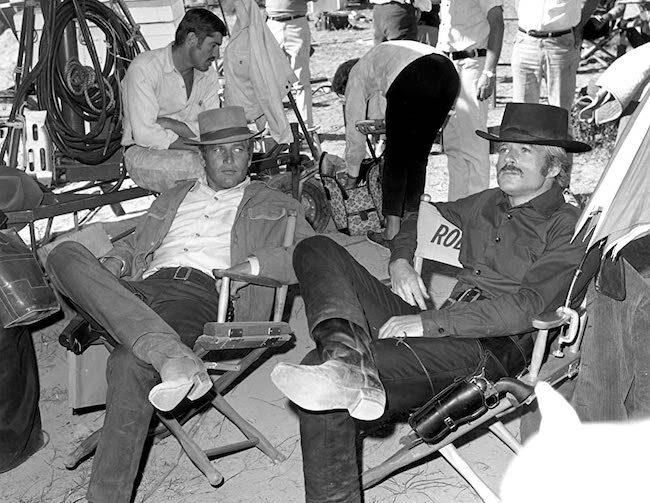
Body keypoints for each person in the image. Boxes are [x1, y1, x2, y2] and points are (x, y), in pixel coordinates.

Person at [270, 103, 592, 503]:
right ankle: (347, 358)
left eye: (524, 151)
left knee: (320, 373)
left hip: (488, 349)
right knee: (316, 248)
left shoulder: (567, 225)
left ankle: (344, 369)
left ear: (555, 166)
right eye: (504, 149)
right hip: (444, 325)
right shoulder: (489, 202)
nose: (508, 158)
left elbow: (526, 308)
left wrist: (427, 324)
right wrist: (400, 259)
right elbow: (420, 216)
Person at [46, 106, 314, 503]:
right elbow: (135, 244)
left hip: (201, 296)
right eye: (218, 150)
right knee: (64, 253)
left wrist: (255, 265)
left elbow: (312, 255)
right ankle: (167, 352)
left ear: (250, 154)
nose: (229, 158)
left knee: (129, 362)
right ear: (202, 156)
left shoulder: (276, 203)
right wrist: (117, 261)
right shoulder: (173, 196)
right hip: (141, 289)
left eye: (239, 149)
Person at [330, 41, 459, 246]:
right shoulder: (382, 60)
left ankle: (391, 231)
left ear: (344, 86)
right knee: (417, 158)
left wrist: (352, 175)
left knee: (396, 159)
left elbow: (354, 130)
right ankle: (412, 225)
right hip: (448, 74)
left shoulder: (356, 75)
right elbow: (388, 115)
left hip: (414, 75)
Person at [121, 8, 227, 193]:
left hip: (195, 150)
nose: (217, 55)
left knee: (231, 162)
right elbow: (146, 135)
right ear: (192, 39)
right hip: (143, 152)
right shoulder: (145, 69)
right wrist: (197, 147)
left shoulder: (208, 75)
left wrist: (171, 124)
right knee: (207, 168)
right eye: (213, 45)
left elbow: (210, 128)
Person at [436, 0, 504, 201]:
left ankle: (477, 204)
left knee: (474, 141)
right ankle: (457, 204)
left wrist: (489, 73)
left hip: (472, 64)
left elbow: (498, 24)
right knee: (453, 143)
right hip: (447, 63)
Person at [512, 0, 599, 113]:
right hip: (526, 41)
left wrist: (579, 26)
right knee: (522, 110)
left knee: (560, 109)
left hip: (560, 43)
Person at [266, 0, 314, 127]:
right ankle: (272, 128)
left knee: (301, 80)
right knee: (270, 81)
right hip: (272, 23)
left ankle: (307, 128)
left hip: (296, 24)